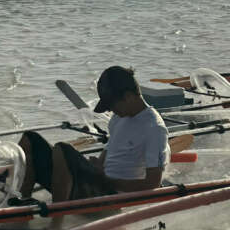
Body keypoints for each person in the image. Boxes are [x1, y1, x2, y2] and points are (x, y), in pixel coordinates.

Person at [17, 66, 170, 202]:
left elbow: (152, 184)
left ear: (128, 96)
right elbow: (106, 156)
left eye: (111, 104)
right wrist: (96, 167)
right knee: (30, 139)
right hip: (96, 186)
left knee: (62, 149)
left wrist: (109, 181)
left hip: (113, 196)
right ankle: (21, 204)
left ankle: (56, 222)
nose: (110, 110)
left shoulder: (154, 128)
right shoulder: (118, 118)